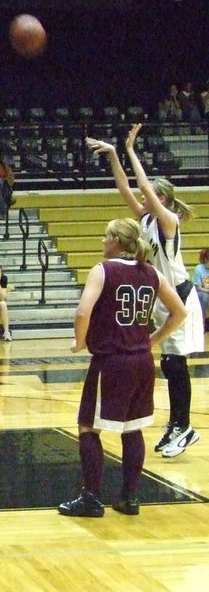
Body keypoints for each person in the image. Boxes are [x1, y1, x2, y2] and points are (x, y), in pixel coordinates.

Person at [87, 123, 204, 458]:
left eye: (150, 194)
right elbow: (125, 185)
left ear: (162, 197)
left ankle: (183, 427)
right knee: (170, 364)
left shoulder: (168, 220)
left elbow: (140, 184)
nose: (142, 198)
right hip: (162, 300)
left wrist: (132, 150)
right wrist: (112, 155)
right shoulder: (147, 219)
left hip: (180, 296)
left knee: (174, 364)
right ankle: (179, 425)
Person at [58, 218, 186, 517]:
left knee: (88, 426)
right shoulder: (152, 272)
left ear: (116, 240)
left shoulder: (103, 270)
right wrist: (152, 340)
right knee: (133, 429)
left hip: (112, 361)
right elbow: (180, 312)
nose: (102, 242)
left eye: (106, 237)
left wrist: (79, 342)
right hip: (142, 362)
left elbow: (82, 312)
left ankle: (91, 498)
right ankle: (130, 499)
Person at [192, 247, 209, 328]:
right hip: (202, 291)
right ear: (205, 259)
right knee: (204, 297)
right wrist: (207, 290)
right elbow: (198, 287)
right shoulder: (199, 268)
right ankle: (202, 322)